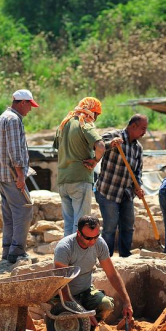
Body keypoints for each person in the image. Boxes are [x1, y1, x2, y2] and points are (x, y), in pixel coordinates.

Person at [53, 215, 134, 331]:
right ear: (78, 233)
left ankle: (88, 330)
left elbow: (112, 274)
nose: (92, 241)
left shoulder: (99, 243)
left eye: (96, 236)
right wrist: (83, 313)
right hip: (64, 295)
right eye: (88, 238)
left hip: (85, 290)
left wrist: (127, 302)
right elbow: (61, 285)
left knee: (106, 305)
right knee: (67, 326)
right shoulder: (65, 248)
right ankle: (75, 329)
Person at [0, 89, 38, 264]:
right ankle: (17, 251)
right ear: (22, 103)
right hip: (12, 174)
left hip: (2, 174)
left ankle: (7, 251)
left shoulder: (3, 117)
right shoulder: (13, 120)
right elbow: (14, 150)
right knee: (25, 209)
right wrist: (20, 175)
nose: (30, 109)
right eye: (30, 105)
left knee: (10, 214)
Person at [95, 114, 148, 257]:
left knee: (128, 225)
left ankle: (125, 255)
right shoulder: (113, 135)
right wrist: (111, 144)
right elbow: (97, 147)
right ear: (133, 126)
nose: (144, 132)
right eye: (142, 129)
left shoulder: (138, 148)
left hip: (126, 192)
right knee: (110, 227)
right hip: (108, 191)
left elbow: (138, 171)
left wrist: (138, 187)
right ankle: (107, 258)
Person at [54, 97, 105, 236]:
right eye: (97, 114)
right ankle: (78, 256)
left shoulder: (64, 124)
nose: (96, 118)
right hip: (79, 179)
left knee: (69, 223)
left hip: (63, 180)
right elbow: (100, 146)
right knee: (81, 223)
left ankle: (67, 255)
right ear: (92, 111)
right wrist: (95, 160)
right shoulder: (85, 123)